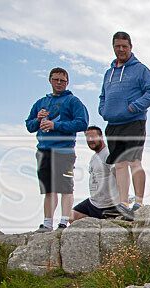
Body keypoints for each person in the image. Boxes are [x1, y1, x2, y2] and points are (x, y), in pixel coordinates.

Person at [98, 31, 150, 221]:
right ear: (113, 47)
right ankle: (123, 204)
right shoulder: (109, 73)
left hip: (134, 121)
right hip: (113, 123)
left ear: (131, 47)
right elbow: (102, 97)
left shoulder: (141, 70)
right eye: (117, 46)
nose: (121, 49)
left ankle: (138, 203)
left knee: (134, 162)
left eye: (124, 46)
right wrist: (104, 110)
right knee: (119, 164)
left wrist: (133, 107)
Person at [25, 67, 89, 231]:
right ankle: (47, 223)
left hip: (64, 150)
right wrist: (38, 119)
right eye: (56, 79)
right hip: (43, 150)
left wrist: (56, 125)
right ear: (50, 80)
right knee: (48, 189)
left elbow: (82, 123)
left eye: (62, 80)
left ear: (67, 82)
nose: (59, 83)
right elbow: (29, 126)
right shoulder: (41, 103)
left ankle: (63, 222)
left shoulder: (73, 101)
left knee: (65, 187)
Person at [70, 126, 120, 222]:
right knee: (73, 216)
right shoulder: (94, 158)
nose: (90, 140)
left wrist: (122, 201)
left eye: (93, 137)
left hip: (110, 204)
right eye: (87, 138)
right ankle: (98, 224)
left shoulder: (108, 153)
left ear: (101, 137)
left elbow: (119, 175)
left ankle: (107, 221)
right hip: (94, 203)